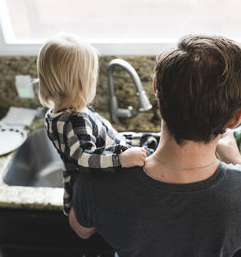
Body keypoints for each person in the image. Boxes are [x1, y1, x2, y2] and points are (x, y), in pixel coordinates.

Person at [69, 34, 241, 257]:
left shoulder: (99, 178)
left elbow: (81, 230)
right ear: (238, 117)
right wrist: (236, 162)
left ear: (155, 88)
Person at [37, 32, 158, 216]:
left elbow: (107, 139)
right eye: (92, 76)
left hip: (108, 159)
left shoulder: (57, 114)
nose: (95, 80)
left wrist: (147, 138)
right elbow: (85, 158)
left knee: (151, 141)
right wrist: (122, 159)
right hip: (104, 177)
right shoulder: (75, 120)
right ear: (84, 84)